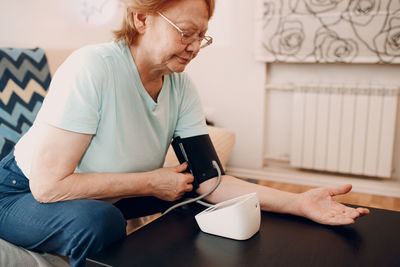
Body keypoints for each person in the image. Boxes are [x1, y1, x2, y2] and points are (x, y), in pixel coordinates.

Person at [0, 0, 370, 266]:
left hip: (92, 195)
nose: (194, 47)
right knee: (100, 220)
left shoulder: (179, 85)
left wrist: (299, 201)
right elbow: (49, 187)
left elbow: (209, 181)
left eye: (202, 36)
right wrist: (148, 183)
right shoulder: (92, 68)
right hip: (19, 193)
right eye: (186, 33)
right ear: (142, 18)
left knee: (189, 197)